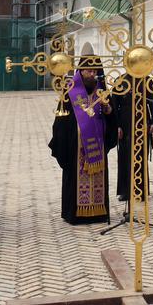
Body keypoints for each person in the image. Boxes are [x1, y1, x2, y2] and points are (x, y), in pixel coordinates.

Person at [48, 54, 118, 224]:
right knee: (75, 179)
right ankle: (74, 213)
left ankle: (98, 213)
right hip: (75, 146)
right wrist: (64, 140)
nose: (92, 74)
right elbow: (61, 120)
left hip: (98, 147)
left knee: (98, 180)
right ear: (81, 70)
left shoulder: (102, 90)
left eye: (95, 71)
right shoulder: (70, 89)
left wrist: (108, 109)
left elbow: (111, 116)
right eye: (88, 70)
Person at [113, 75, 153, 203]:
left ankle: (140, 190)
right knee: (125, 156)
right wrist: (116, 126)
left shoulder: (146, 80)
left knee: (140, 154)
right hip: (125, 124)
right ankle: (125, 191)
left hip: (142, 122)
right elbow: (114, 104)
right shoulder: (120, 80)